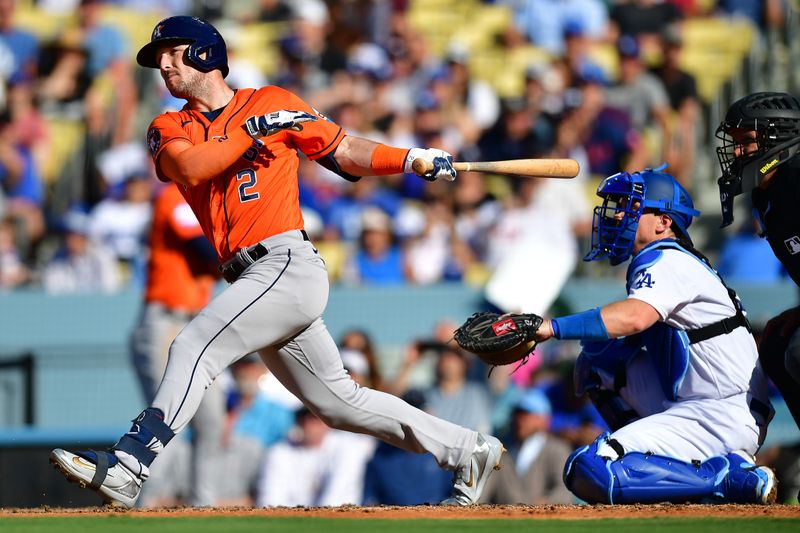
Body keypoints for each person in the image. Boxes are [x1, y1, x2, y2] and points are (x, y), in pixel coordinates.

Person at [49, 15, 503, 508]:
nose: (164, 64)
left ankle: (130, 461)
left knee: (195, 344)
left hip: (286, 262)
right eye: (159, 57)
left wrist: (410, 156)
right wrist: (250, 133)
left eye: (174, 52)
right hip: (249, 276)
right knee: (339, 403)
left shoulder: (273, 102)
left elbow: (345, 149)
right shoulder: (169, 124)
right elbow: (191, 166)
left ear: (206, 54)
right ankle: (467, 449)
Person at [530, 166, 776, 504]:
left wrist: (549, 328)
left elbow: (633, 319)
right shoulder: (666, 261)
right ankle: (674, 470)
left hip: (721, 413)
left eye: (631, 208)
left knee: (588, 469)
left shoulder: (667, 260)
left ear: (663, 222)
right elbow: (623, 338)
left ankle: (723, 478)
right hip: (702, 402)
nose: (617, 216)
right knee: (597, 364)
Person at [128, 182, 224, 507]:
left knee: (212, 422)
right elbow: (205, 249)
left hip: (197, 325)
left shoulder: (212, 204)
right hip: (165, 321)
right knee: (168, 419)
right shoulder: (176, 194)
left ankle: (203, 508)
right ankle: (142, 507)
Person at [714, 92, 800, 431]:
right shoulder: (767, 194)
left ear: (777, 137)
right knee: (776, 347)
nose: (736, 153)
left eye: (745, 142)